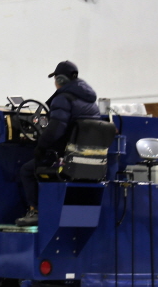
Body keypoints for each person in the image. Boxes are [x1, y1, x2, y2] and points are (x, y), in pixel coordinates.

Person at [16, 61, 100, 227]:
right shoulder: (91, 102)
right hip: (89, 160)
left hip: (65, 157)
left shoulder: (62, 99)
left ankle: (35, 212)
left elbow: (55, 130)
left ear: (60, 80)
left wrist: (41, 146)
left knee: (27, 170)